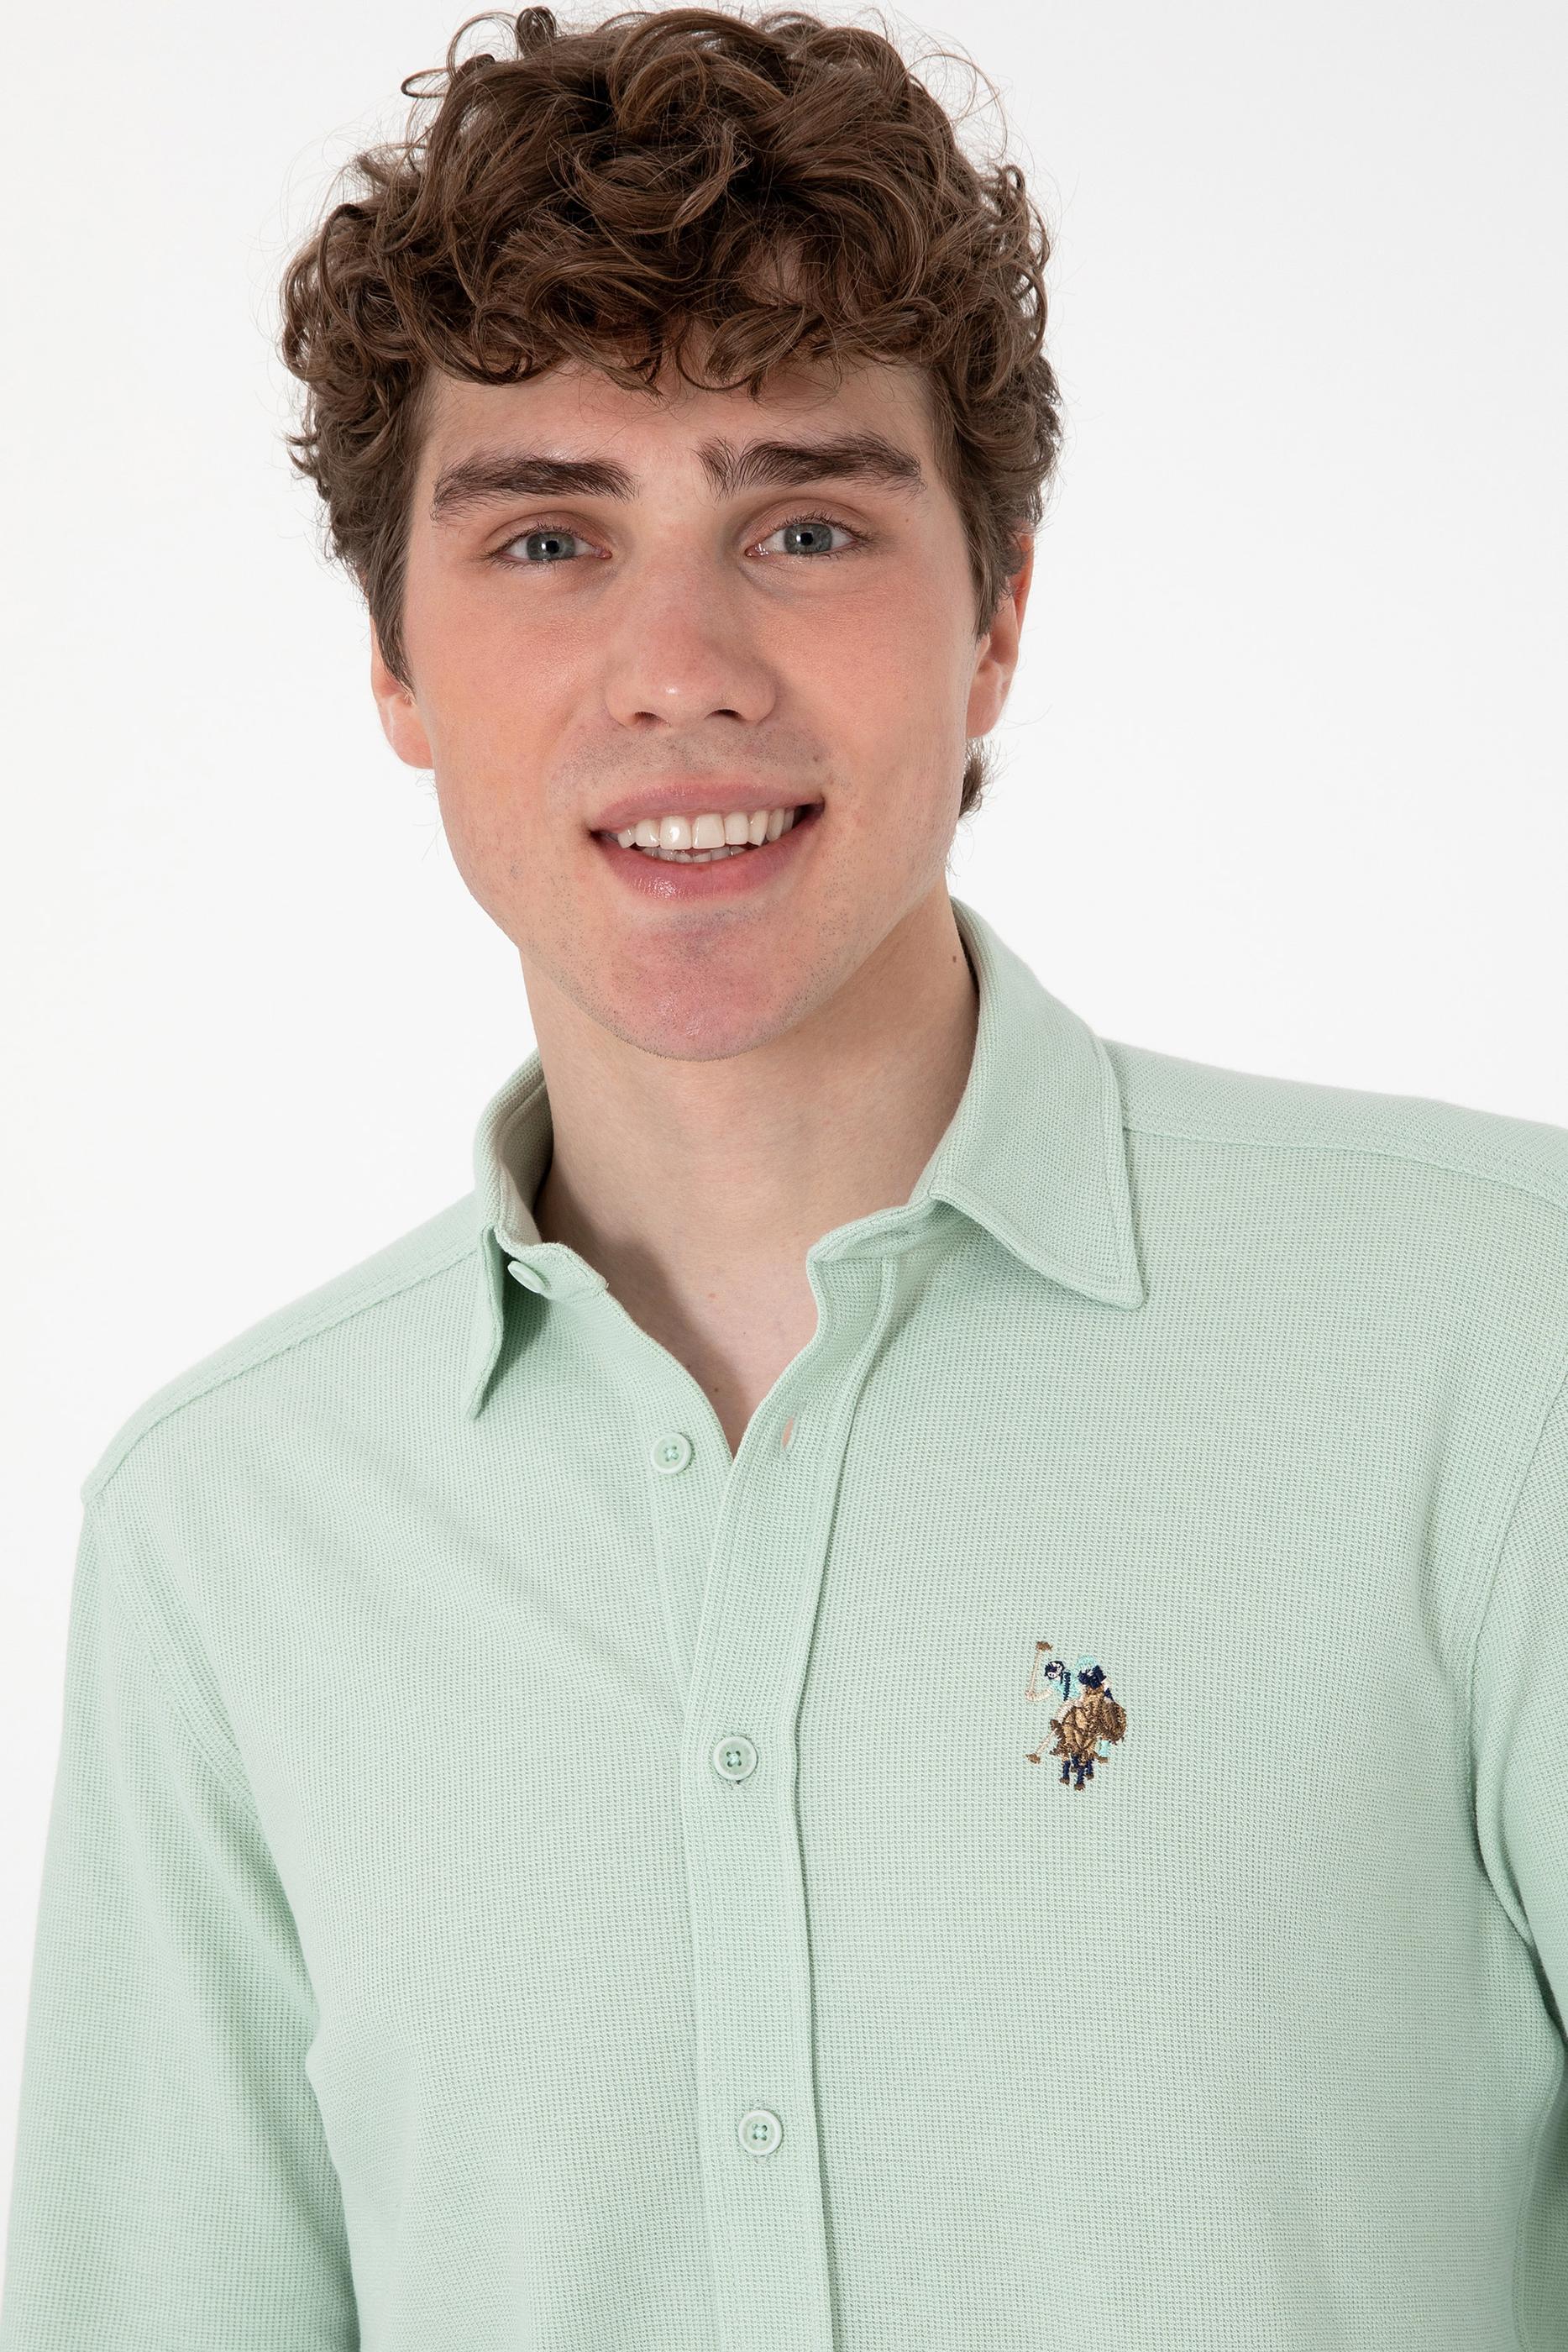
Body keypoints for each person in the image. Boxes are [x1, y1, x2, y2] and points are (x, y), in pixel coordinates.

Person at [3, 7, 1566, 2347]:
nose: (681, 667)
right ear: (396, 667)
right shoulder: (229, 1536)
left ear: (995, 618)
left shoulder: (1501, 1350)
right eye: (548, 537)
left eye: (805, 525)